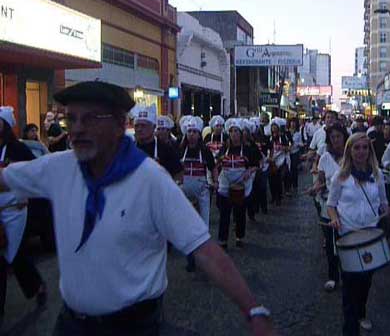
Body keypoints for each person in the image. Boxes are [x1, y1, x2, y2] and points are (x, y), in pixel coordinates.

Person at [0, 82, 274, 335]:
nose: (77, 128)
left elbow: (204, 249)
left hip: (133, 327)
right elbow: (6, 178)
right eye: (71, 119)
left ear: (120, 125)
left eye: (90, 118)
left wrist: (253, 309)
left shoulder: (149, 180)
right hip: (72, 324)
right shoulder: (58, 167)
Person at [327, 132, 390, 335]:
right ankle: (351, 328)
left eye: (365, 148)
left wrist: (386, 210)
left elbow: (383, 203)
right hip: (348, 235)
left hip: (371, 235)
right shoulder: (341, 176)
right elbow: (331, 205)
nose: (361, 152)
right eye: (357, 148)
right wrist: (334, 218)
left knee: (366, 281)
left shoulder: (377, 175)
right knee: (349, 286)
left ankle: (361, 311)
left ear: (369, 151)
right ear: (349, 150)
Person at [0, 107, 47, 329]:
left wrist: (26, 195)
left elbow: (35, 173)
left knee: (13, 255)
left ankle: (37, 286)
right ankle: (36, 285)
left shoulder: (18, 148)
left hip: (14, 211)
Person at [312, 123, 349, 292]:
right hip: (329, 206)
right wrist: (316, 187)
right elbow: (321, 179)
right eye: (332, 137)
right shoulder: (325, 158)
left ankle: (349, 273)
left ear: (344, 137)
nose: (335, 140)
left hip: (348, 206)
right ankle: (333, 276)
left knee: (346, 242)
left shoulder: (352, 155)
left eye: (338, 136)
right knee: (331, 243)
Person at [178, 116, 218, 272]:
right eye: (189, 132)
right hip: (184, 192)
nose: (192, 135)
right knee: (187, 227)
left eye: (194, 132)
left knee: (203, 227)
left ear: (199, 133)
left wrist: (215, 182)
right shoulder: (180, 149)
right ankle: (191, 259)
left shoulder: (205, 150)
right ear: (185, 133)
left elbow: (213, 167)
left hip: (202, 191)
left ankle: (204, 258)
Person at [217, 118, 260, 249]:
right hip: (225, 184)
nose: (234, 134)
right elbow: (217, 162)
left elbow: (256, 165)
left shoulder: (247, 149)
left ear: (241, 133)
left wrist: (249, 171)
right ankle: (223, 240)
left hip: (241, 184)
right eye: (231, 131)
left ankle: (239, 236)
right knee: (224, 213)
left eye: (236, 131)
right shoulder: (224, 147)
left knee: (240, 213)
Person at [134, 106, 183, 179]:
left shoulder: (166, 149)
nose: (139, 129)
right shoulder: (129, 149)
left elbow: (178, 172)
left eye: (143, 126)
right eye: (136, 126)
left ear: (153, 127)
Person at [268, 118, 290, 206]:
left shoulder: (283, 137)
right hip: (272, 161)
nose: (273, 128)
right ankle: (273, 196)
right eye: (272, 126)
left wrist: (283, 148)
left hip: (281, 161)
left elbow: (288, 148)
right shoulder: (270, 137)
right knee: (271, 180)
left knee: (278, 180)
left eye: (275, 126)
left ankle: (278, 197)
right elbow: (268, 149)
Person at [287, 118, 304, 195]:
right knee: (288, 169)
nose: (293, 124)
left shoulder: (298, 133)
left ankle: (295, 185)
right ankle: (288, 185)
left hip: (295, 153)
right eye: (291, 122)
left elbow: (301, 143)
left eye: (294, 123)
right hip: (287, 153)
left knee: (294, 169)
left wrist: (296, 144)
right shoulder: (286, 133)